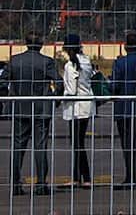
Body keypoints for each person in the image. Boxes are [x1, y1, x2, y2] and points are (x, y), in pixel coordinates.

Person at [8, 31, 60, 196]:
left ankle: (15, 184)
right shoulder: (47, 62)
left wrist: (11, 98)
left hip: (20, 108)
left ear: (26, 43)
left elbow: (3, 81)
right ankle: (40, 184)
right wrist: (54, 100)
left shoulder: (15, 61)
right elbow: (59, 83)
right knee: (40, 147)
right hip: (41, 109)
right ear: (41, 44)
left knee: (18, 147)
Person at [111, 32, 136, 188]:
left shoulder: (120, 63)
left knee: (127, 144)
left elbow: (114, 85)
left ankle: (129, 175)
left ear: (125, 46)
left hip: (123, 108)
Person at [61, 33, 94, 189]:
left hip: (75, 108)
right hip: (87, 105)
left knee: (77, 144)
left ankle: (84, 177)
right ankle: (77, 177)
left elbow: (71, 90)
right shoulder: (87, 62)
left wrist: (60, 97)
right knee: (78, 143)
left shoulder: (70, 65)